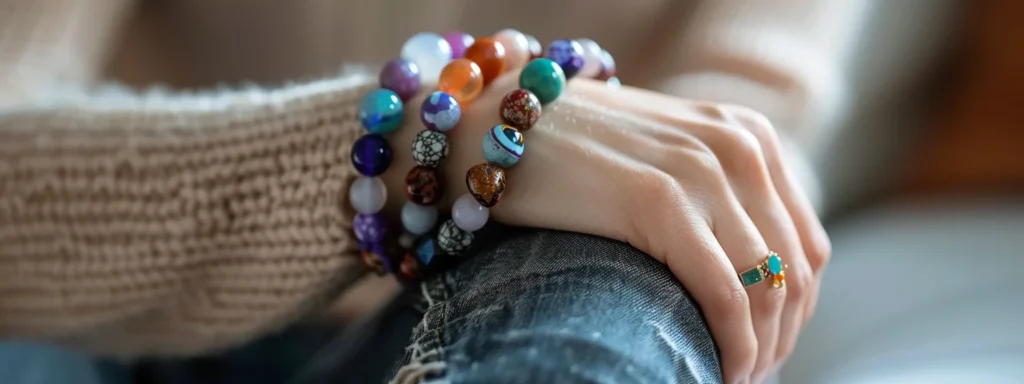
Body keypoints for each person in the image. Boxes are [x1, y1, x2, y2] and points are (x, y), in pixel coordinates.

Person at [1, 0, 953, 383]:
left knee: (648, 262)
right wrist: (428, 137)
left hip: (525, 284)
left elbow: (732, 152)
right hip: (96, 295)